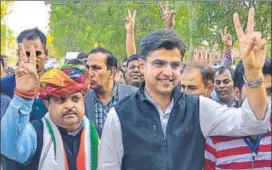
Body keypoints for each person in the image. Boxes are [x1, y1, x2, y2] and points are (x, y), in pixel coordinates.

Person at [98, 8, 271, 170]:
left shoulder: (199, 109)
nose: (168, 72)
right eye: (159, 63)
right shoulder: (120, 115)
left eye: (174, 65)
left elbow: (253, 122)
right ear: (142, 66)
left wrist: (254, 72)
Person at [1, 44, 99, 170]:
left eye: (75, 99)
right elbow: (9, 147)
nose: (69, 106)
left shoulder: (99, 135)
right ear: (47, 104)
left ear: (83, 100)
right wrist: (22, 96)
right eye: (60, 99)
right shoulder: (36, 133)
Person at [204, 57, 272, 169]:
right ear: (236, 93)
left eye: (269, 91)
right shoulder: (216, 138)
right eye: (254, 91)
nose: (263, 100)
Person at [0, 28, 48, 120]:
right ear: (19, 54)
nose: (31, 59)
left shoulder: (58, 85)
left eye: (37, 53)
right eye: (27, 54)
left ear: (46, 53)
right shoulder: (3, 85)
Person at [85, 47, 137, 128]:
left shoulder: (134, 96)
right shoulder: (83, 98)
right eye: (88, 68)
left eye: (96, 68)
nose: (90, 73)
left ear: (112, 72)